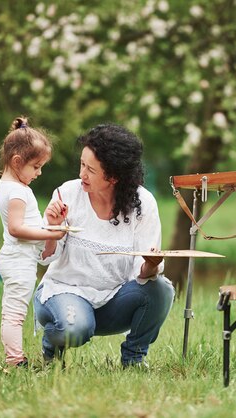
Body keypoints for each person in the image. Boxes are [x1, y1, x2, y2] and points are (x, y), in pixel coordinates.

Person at [34, 123, 175, 368]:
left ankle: (133, 360)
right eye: (82, 164)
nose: (82, 174)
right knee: (76, 327)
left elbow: (142, 274)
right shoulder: (67, 193)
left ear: (113, 176)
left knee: (161, 289)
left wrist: (151, 266)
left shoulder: (143, 203)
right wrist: (52, 229)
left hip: (113, 301)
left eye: (90, 170)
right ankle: (51, 348)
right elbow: (45, 258)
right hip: (65, 292)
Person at [0, 116, 67, 367]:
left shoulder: (11, 186)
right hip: (18, 261)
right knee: (14, 314)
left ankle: (16, 358)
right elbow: (17, 229)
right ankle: (15, 361)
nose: (39, 173)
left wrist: (51, 225)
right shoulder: (17, 191)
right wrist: (51, 234)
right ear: (17, 162)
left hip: (20, 259)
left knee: (16, 312)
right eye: (36, 166)